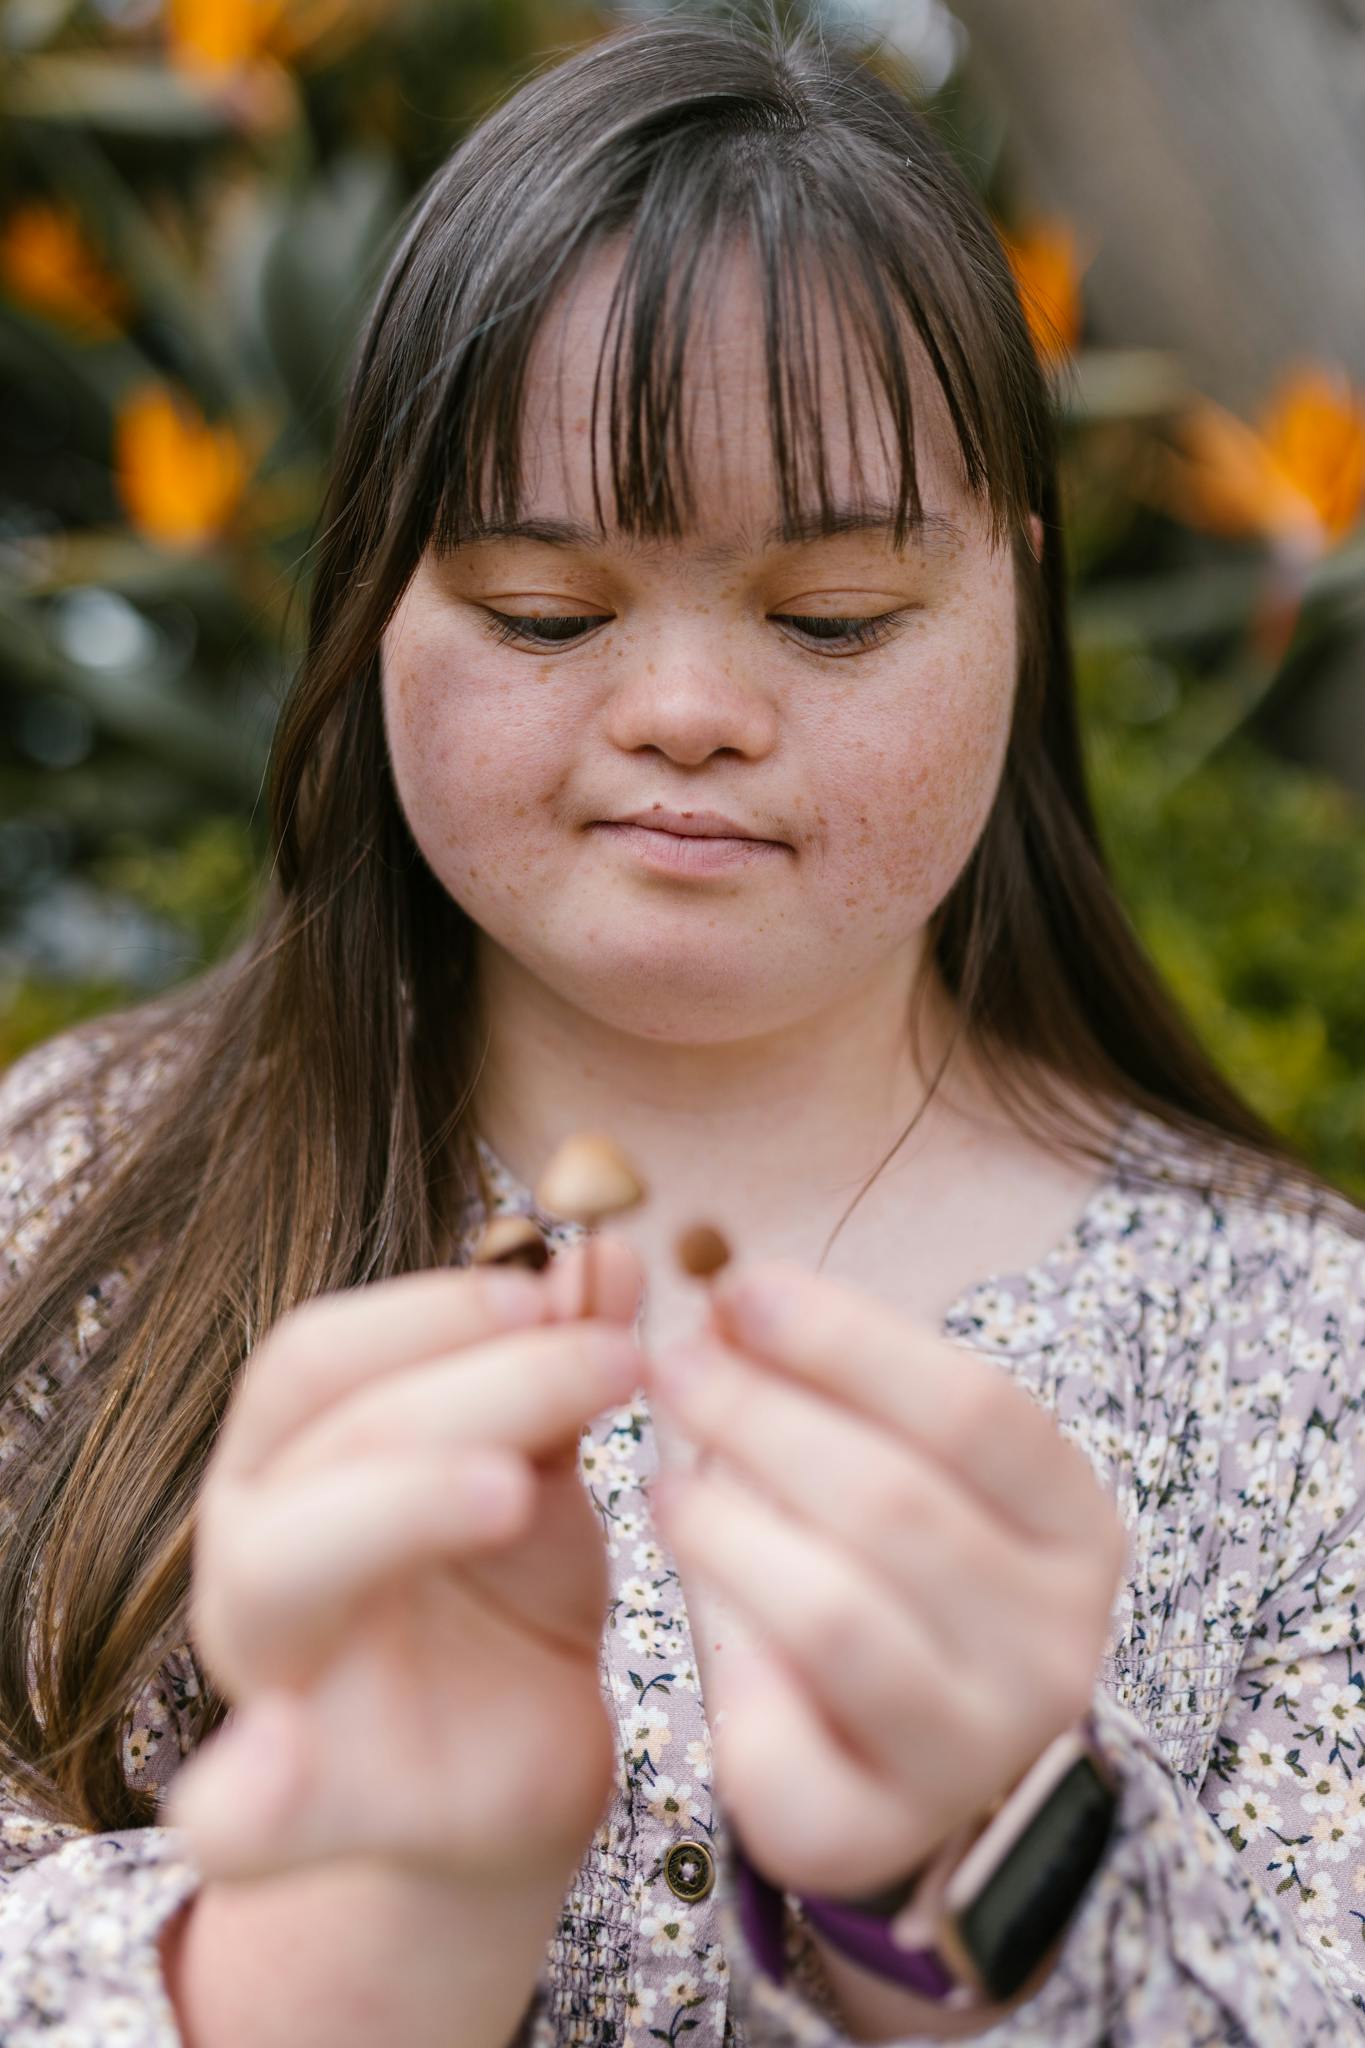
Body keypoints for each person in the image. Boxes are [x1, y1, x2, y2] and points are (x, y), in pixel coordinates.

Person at [1, 10, 1363, 2045]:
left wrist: (976, 1890)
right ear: (371, 598)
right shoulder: (70, 1200)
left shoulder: (1297, 1357)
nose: (685, 711)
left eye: (827, 620)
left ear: (1016, 598)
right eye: (547, 614)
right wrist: (358, 1921)